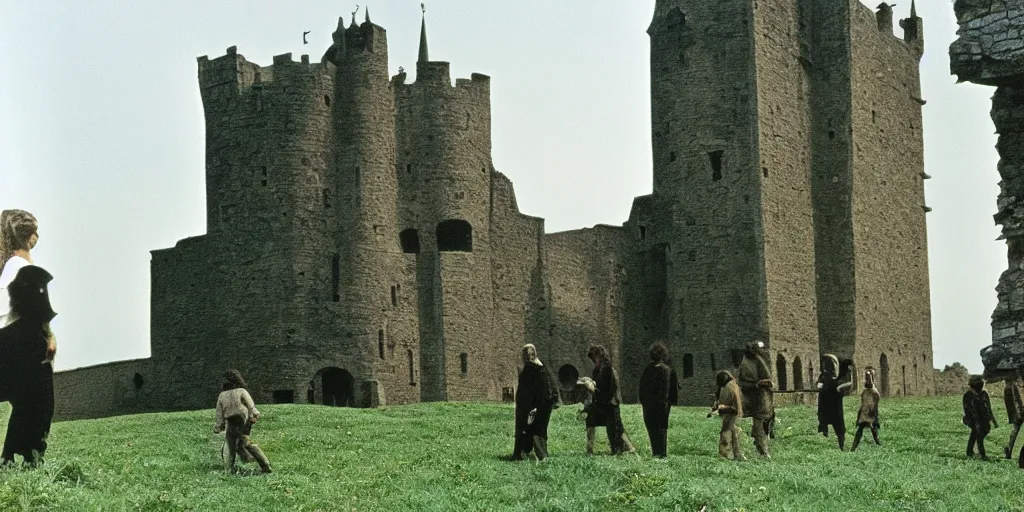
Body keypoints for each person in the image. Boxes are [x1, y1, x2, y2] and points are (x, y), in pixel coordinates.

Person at [0, 265, 58, 466]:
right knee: (36, 396)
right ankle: (24, 455)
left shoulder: (35, 335)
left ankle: (20, 456)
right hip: (21, 367)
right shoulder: (26, 336)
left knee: (34, 397)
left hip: (22, 368)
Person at [213, 370, 271, 474]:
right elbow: (250, 404)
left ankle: (229, 469)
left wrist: (219, 424)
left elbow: (219, 411)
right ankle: (264, 465)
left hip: (231, 419)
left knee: (230, 443)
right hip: (243, 419)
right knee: (244, 442)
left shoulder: (222, 395)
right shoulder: (241, 391)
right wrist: (254, 414)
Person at [511, 344, 560, 461]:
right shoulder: (537, 368)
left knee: (535, 430)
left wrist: (535, 407)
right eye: (527, 354)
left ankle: (538, 455)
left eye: (531, 354)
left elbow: (540, 389)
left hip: (534, 406)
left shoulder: (535, 369)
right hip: (531, 405)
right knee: (531, 429)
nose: (529, 356)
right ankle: (526, 453)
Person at [586, 345, 635, 455]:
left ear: (600, 356)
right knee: (590, 422)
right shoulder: (597, 370)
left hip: (610, 404)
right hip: (600, 403)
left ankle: (629, 448)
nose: (594, 361)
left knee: (616, 429)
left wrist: (592, 386)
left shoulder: (608, 370)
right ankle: (589, 449)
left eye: (595, 357)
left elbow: (606, 390)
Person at [638, 342, 677, 458]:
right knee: (658, 430)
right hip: (657, 406)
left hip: (652, 405)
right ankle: (659, 453)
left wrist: (645, 401)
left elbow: (643, 387)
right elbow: (664, 391)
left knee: (655, 429)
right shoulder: (663, 370)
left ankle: (659, 453)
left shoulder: (652, 369)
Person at [736, 340, 774, 458]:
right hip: (749, 396)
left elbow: (767, 377)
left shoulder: (760, 360)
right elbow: (738, 381)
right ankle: (759, 451)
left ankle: (762, 448)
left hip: (762, 397)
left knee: (763, 423)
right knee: (751, 424)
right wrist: (756, 384)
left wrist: (767, 383)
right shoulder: (742, 362)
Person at [817, 354, 854, 451]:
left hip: (834, 404)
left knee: (839, 426)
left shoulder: (836, 378)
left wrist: (839, 389)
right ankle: (825, 432)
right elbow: (820, 386)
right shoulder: (824, 377)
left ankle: (840, 445)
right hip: (827, 403)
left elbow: (846, 386)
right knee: (827, 421)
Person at [708, 370, 745, 460]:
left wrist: (722, 407)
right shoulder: (728, 386)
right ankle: (737, 454)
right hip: (728, 412)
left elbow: (734, 404)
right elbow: (719, 400)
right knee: (733, 433)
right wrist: (714, 408)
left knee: (726, 432)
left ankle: (726, 454)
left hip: (730, 413)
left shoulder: (731, 387)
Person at [962, 375, 997, 460]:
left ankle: (970, 452)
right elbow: (970, 410)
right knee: (977, 435)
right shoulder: (968, 395)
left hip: (983, 418)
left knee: (977, 434)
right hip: (972, 419)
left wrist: (993, 420)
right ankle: (982, 455)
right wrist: (976, 423)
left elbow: (988, 407)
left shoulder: (984, 394)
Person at [850, 369, 881, 451]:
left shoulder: (875, 393)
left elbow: (875, 406)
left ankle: (879, 443)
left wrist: (875, 418)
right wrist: (859, 415)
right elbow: (863, 404)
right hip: (864, 414)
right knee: (860, 430)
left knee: (874, 430)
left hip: (871, 414)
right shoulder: (864, 392)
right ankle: (853, 447)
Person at [1004, 371, 1023, 461]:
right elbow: (1016, 399)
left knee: (1015, 429)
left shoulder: (1011, 385)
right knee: (1015, 429)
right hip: (1019, 410)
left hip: (1018, 411)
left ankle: (1009, 451)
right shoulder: (1014, 384)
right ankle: (1009, 451)